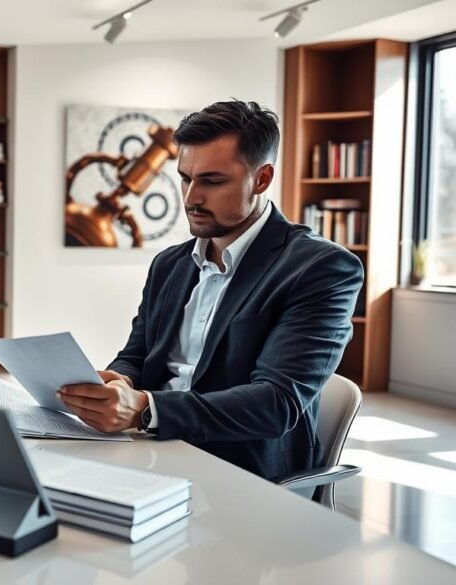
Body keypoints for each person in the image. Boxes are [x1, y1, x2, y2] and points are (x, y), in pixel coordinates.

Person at [58, 100, 363, 480]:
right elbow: (137, 355)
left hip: (242, 471)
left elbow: (277, 403)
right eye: (185, 178)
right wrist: (121, 381)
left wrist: (145, 408)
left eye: (212, 181)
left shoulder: (321, 269)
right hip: (150, 450)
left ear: (262, 179)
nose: (190, 198)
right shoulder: (169, 264)